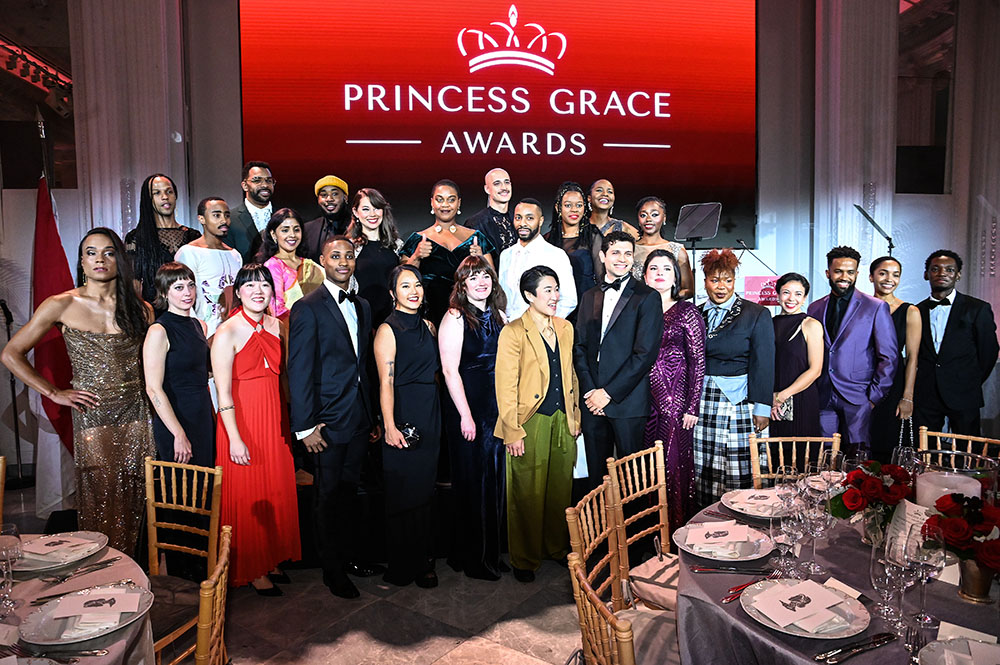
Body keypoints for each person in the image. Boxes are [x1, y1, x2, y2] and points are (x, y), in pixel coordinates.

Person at [2, 228, 153, 554]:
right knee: (100, 498)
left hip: (138, 416)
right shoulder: (61, 304)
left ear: (119, 259)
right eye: (91, 252)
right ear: (81, 261)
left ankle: (137, 576)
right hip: (93, 416)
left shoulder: (141, 309)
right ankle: (102, 573)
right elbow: (11, 353)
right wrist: (53, 392)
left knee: (139, 498)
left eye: (109, 252)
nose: (100, 259)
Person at [288, 236, 383, 599]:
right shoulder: (307, 307)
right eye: (335, 256)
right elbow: (299, 370)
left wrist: (372, 415)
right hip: (325, 423)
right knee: (327, 496)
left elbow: (363, 366)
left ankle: (351, 557)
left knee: (349, 492)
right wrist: (305, 427)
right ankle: (332, 571)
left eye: (349, 256)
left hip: (358, 417)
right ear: (323, 261)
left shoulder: (362, 305)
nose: (343, 261)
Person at [212, 264, 301, 594]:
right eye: (249, 285)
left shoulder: (277, 325)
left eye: (264, 284)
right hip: (241, 422)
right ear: (237, 292)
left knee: (272, 489)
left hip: (272, 417)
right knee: (248, 493)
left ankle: (270, 556)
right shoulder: (227, 331)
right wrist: (234, 438)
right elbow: (222, 393)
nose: (258, 291)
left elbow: (282, 378)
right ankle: (251, 568)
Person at [495, 266, 581, 583]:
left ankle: (555, 547)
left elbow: (571, 376)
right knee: (526, 492)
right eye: (547, 290)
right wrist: (512, 430)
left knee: (560, 488)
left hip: (562, 420)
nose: (555, 296)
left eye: (556, 289)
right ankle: (524, 558)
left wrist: (574, 417)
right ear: (530, 296)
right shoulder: (513, 332)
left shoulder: (565, 328)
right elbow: (505, 386)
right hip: (529, 422)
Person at [573, 231, 662, 490]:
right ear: (602, 256)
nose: (622, 259)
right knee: (596, 480)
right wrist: (591, 392)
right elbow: (580, 348)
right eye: (615, 252)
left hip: (628, 403)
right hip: (592, 403)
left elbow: (645, 355)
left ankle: (635, 520)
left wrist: (608, 393)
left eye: (627, 253)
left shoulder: (647, 296)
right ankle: (602, 519)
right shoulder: (589, 296)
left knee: (632, 481)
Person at [439, 256, 508, 581]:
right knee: (474, 483)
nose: (481, 282)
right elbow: (449, 371)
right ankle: (474, 558)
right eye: (473, 277)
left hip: (496, 408)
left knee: (494, 482)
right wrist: (466, 416)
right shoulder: (455, 316)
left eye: (485, 276)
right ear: (462, 284)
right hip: (469, 408)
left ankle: (491, 552)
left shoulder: (500, 315)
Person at [374, 265, 442, 587]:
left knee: (426, 490)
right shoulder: (387, 330)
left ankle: (425, 560)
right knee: (404, 490)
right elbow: (385, 382)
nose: (414, 291)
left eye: (417, 284)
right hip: (402, 413)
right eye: (405, 286)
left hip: (430, 412)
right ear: (393, 293)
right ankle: (403, 563)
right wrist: (389, 425)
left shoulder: (429, 326)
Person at [694, 249, 774, 507]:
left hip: (739, 399)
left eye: (728, 280)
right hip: (702, 400)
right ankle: (706, 516)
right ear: (705, 281)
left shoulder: (755, 313)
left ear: (735, 281)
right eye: (715, 280)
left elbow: (763, 362)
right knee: (705, 463)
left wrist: (762, 407)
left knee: (738, 464)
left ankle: (743, 515)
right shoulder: (695, 313)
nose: (721, 287)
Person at [806, 246, 897, 458]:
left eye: (850, 272)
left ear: (857, 273)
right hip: (823, 394)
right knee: (824, 456)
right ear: (828, 273)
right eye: (838, 271)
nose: (844, 277)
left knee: (858, 456)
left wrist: (873, 397)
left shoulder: (875, 307)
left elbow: (889, 357)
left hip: (858, 395)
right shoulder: (815, 308)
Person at [642, 249, 705, 528]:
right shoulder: (638, 310)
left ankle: (675, 529)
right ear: (644, 276)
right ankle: (651, 531)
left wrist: (692, 406)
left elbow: (698, 361)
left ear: (676, 277)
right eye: (654, 268)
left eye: (666, 269)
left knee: (671, 464)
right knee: (647, 466)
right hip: (643, 401)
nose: (660, 273)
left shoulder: (687, 312)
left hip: (675, 402)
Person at [914, 250, 999, 436]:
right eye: (935, 269)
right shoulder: (916, 310)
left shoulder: (978, 308)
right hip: (926, 394)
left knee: (966, 449)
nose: (942, 273)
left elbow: (989, 352)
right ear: (926, 274)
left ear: (958, 275)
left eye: (949, 270)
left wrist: (970, 381)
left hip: (964, 393)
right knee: (925, 448)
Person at [143, 262, 214, 466]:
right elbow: (153, 389)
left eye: (191, 285)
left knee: (206, 480)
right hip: (174, 419)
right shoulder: (159, 330)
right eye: (179, 287)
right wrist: (178, 433)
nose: (187, 292)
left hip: (202, 415)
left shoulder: (199, 325)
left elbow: (200, 372)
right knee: (180, 482)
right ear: (164, 293)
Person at [401, 180, 495, 325]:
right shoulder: (417, 240)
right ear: (432, 202)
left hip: (470, 315)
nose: (445, 205)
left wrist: (481, 258)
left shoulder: (476, 238)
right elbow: (401, 281)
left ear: (459, 203)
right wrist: (416, 256)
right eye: (440, 199)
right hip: (429, 315)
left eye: (451, 200)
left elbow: (492, 279)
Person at [868, 257, 922, 459]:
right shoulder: (862, 307)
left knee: (889, 443)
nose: (889, 279)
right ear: (871, 276)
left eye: (895, 274)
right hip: (863, 380)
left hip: (894, 384)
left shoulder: (910, 311)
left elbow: (913, 357)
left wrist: (907, 397)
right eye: (883, 273)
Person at [125, 173, 201, 305]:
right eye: (157, 193)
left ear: (176, 196)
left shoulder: (193, 236)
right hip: (154, 312)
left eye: (169, 192)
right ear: (148, 199)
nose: (165, 197)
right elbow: (133, 285)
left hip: (191, 310)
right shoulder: (136, 238)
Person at [174, 197, 243, 337]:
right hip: (203, 332)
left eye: (227, 215)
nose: (224, 221)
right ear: (202, 219)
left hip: (236, 331)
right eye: (216, 215)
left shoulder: (235, 255)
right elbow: (181, 297)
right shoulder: (189, 252)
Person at [500, 197, 577, 320]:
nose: (522, 223)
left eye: (529, 218)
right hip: (509, 327)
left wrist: (545, 324)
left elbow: (569, 300)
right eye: (518, 218)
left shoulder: (556, 255)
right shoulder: (506, 255)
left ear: (541, 221)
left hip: (541, 328)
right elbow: (502, 296)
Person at [770, 272, 823, 438]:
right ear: (778, 295)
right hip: (771, 401)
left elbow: (815, 370)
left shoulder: (810, 325)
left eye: (798, 294)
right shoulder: (768, 323)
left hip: (801, 398)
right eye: (786, 292)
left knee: (800, 449)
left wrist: (781, 396)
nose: (791, 298)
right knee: (774, 449)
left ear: (805, 298)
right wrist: (770, 398)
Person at [256, 208, 324, 321]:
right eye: (285, 230)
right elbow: (276, 310)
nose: (292, 235)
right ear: (273, 234)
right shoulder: (273, 266)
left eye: (296, 230)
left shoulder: (309, 264)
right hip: (291, 327)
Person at [347, 188, 402, 326]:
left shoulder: (397, 245)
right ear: (355, 212)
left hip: (392, 318)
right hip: (360, 319)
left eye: (376, 208)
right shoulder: (349, 247)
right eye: (366, 209)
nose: (372, 214)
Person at [544, 181, 600, 308]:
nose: (574, 209)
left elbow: (601, 278)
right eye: (568, 205)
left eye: (579, 205)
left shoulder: (592, 236)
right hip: (555, 306)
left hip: (586, 306)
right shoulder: (548, 239)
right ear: (558, 207)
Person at [631, 196, 694, 299]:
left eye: (654, 215)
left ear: (664, 218)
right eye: (643, 215)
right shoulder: (629, 250)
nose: (648, 219)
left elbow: (689, 290)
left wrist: (665, 299)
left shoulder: (677, 250)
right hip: (635, 307)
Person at [466, 167, 516, 264]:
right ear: (487, 189)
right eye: (497, 183)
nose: (504, 187)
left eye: (507, 182)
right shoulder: (475, 224)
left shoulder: (518, 219)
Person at [229, 161, 276, 263]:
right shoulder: (231, 219)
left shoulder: (284, 218)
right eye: (257, 180)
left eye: (269, 180)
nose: (265, 185)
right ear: (245, 185)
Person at [303, 175, 351, 262]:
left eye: (335, 194)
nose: (329, 199)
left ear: (345, 197)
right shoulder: (307, 229)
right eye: (324, 195)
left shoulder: (359, 227)